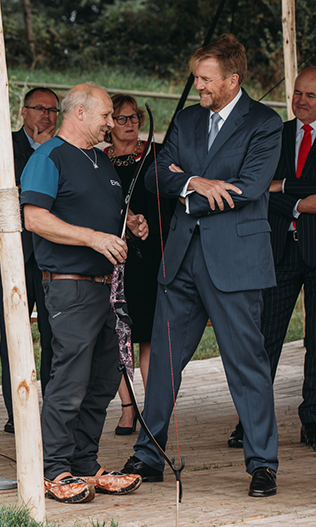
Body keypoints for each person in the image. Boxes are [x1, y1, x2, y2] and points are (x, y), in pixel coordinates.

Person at [123, 34, 283, 498]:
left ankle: (263, 464)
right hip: (181, 263)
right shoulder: (188, 118)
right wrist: (196, 180)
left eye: (206, 79)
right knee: (165, 364)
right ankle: (149, 453)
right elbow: (156, 173)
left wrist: (187, 193)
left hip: (236, 263)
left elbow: (249, 188)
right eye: (197, 77)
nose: (198, 86)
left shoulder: (265, 123)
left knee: (246, 366)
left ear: (233, 80)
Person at [21, 83, 148, 503]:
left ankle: (84, 463)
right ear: (79, 113)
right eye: (106, 116)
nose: (112, 123)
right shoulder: (49, 157)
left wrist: (129, 219)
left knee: (103, 378)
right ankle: (53, 468)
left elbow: (99, 205)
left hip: (107, 288)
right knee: (70, 379)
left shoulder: (100, 159)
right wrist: (93, 238)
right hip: (69, 287)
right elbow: (36, 218)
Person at [225, 66, 316, 452]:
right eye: (297, 93)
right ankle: (251, 421)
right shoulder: (275, 134)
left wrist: (285, 190)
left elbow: (275, 189)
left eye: (310, 96)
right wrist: (301, 202)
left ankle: (311, 421)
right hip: (277, 249)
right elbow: (258, 187)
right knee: (264, 339)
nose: (300, 101)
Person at [0, 87, 58, 434]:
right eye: (39, 108)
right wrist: (45, 150)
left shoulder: (63, 147)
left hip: (54, 250)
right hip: (12, 249)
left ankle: (53, 410)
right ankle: (18, 412)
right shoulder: (3, 143)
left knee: (54, 334)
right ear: (23, 112)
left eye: (53, 110)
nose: (47, 116)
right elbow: (17, 186)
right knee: (15, 334)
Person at [103, 94, 171, 435]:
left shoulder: (154, 155)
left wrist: (146, 226)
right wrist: (123, 219)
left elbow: (170, 203)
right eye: (122, 118)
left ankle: (152, 410)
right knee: (117, 335)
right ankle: (128, 408)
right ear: (108, 123)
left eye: (134, 118)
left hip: (149, 257)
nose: (130, 124)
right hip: (112, 258)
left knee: (147, 334)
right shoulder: (99, 161)